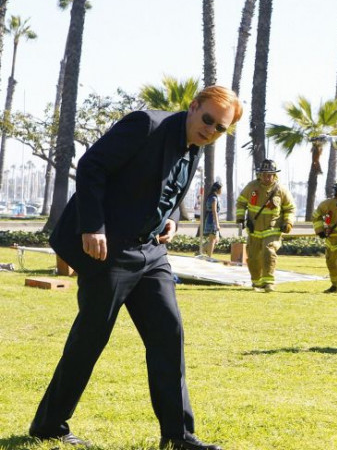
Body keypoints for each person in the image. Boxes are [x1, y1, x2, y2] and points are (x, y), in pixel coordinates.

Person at [30, 86, 243, 450]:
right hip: (109, 251)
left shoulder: (194, 146)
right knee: (90, 337)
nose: (211, 131)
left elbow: (169, 190)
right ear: (194, 107)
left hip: (151, 253)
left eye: (220, 128)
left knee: (168, 333)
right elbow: (92, 166)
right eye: (208, 120)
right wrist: (92, 227)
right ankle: (49, 425)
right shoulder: (145, 125)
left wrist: (171, 218)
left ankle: (178, 435)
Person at [235, 159, 296, 293]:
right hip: (254, 230)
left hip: (272, 230)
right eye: (264, 174)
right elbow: (241, 202)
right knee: (253, 258)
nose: (266, 177)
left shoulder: (281, 190)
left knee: (269, 251)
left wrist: (288, 222)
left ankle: (269, 282)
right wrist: (240, 217)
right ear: (259, 174)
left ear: (274, 175)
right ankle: (257, 282)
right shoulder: (251, 187)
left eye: (269, 175)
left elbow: (290, 208)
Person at [202, 181, 222, 257]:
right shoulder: (214, 198)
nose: (221, 190)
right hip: (212, 220)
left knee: (215, 240)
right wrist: (217, 224)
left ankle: (202, 250)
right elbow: (214, 211)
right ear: (217, 189)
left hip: (209, 218)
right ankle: (209, 257)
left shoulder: (211, 197)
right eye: (221, 189)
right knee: (213, 240)